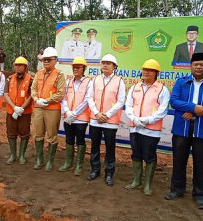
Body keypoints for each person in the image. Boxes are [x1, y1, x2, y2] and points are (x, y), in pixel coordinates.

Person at [165, 53, 203, 208]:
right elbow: (173, 101)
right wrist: (193, 108)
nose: (198, 67)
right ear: (190, 66)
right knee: (179, 161)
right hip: (182, 128)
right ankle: (176, 189)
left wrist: (196, 111)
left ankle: (200, 195)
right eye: (195, 64)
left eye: (201, 65)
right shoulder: (182, 82)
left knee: (200, 163)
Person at [125, 59, 170, 195]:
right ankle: (137, 180)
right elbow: (128, 106)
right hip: (135, 127)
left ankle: (148, 185)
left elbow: (163, 110)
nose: (145, 72)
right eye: (144, 69)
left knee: (149, 155)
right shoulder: (135, 87)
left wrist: (146, 120)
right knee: (136, 154)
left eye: (149, 70)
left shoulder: (162, 89)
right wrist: (134, 119)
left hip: (151, 130)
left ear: (156, 73)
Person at [86, 54, 126, 186]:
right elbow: (89, 98)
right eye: (103, 63)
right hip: (95, 119)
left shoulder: (119, 81)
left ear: (114, 66)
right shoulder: (95, 79)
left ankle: (109, 173)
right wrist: (97, 113)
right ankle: (95, 170)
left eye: (108, 63)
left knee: (110, 148)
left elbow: (121, 101)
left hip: (110, 121)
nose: (105, 65)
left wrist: (107, 115)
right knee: (95, 146)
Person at [31, 47, 65, 171]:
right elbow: (33, 88)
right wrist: (36, 99)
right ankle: (39, 159)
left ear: (55, 61)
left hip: (53, 109)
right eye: (44, 59)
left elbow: (60, 93)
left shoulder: (59, 75)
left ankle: (50, 161)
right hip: (38, 108)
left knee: (52, 135)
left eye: (49, 60)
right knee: (38, 134)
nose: (46, 62)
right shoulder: (39, 73)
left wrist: (47, 100)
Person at [59, 57, 90, 175]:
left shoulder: (88, 82)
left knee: (80, 141)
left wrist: (75, 113)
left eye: (78, 67)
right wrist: (68, 111)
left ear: (84, 69)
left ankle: (79, 165)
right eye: (74, 67)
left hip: (81, 119)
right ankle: (68, 163)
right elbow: (64, 98)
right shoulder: (69, 82)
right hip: (68, 117)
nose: (76, 69)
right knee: (69, 139)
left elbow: (87, 100)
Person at [4, 56, 33, 164]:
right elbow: (6, 94)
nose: (17, 67)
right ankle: (13, 155)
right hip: (11, 111)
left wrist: (21, 108)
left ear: (25, 67)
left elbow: (31, 96)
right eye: (16, 65)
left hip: (25, 112)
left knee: (24, 133)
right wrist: (14, 107)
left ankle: (22, 155)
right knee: (11, 133)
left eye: (20, 65)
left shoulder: (30, 79)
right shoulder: (10, 78)